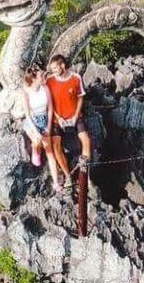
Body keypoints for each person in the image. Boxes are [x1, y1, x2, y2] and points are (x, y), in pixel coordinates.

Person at [44, 53, 91, 188]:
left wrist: (76, 115)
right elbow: (48, 102)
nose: (53, 71)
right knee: (56, 145)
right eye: (52, 69)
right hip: (56, 119)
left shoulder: (76, 78)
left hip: (75, 115)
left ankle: (85, 174)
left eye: (55, 68)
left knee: (86, 140)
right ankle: (68, 175)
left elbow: (81, 96)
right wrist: (58, 118)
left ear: (62, 66)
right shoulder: (50, 80)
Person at [17, 65, 49, 171]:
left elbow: (50, 108)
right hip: (33, 121)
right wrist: (36, 132)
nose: (43, 77)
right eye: (41, 76)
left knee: (48, 145)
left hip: (45, 119)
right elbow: (28, 115)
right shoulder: (26, 93)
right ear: (34, 78)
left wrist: (48, 126)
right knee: (37, 141)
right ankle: (35, 154)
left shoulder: (45, 88)